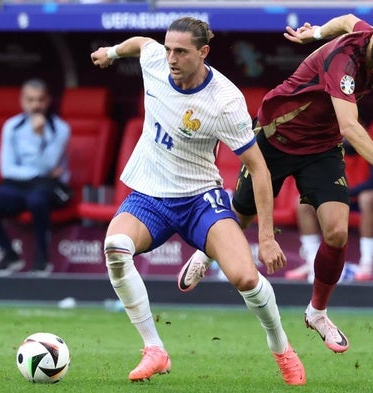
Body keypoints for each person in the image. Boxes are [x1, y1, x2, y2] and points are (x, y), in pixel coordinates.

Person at [177, 3, 373, 354]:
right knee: (242, 214)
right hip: (276, 135)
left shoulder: (365, 35)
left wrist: (316, 33)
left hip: (320, 147)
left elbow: (343, 20)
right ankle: (206, 253)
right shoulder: (345, 60)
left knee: (338, 231)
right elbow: (350, 127)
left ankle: (317, 313)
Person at [90, 17, 305, 385]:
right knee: (115, 247)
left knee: (245, 278)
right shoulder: (156, 61)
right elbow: (142, 43)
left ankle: (282, 347)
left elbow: (260, 169)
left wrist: (266, 236)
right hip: (150, 196)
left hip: (199, 200)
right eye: (169, 48)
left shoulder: (224, 100)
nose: (171, 58)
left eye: (181, 52)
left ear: (203, 52)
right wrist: (111, 52)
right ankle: (154, 349)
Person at [0, 78, 71, 275]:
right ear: (22, 101)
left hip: (48, 187)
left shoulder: (60, 129)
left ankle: (42, 259)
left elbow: (47, 165)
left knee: (37, 200)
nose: (36, 105)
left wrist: (39, 136)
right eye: (30, 100)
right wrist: (37, 173)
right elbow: (7, 169)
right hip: (17, 186)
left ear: (48, 101)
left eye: (40, 100)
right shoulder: (12, 126)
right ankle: (10, 256)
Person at [286, 139, 373, 282]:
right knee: (303, 202)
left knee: (366, 199)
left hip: (369, 195)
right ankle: (313, 262)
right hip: (342, 196)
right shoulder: (329, 141)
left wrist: (345, 192)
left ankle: (367, 263)